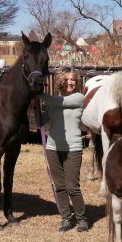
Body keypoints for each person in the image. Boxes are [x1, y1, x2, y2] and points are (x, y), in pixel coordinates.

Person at [41, 70, 88, 231]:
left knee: (72, 186)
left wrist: (38, 94)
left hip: (73, 148)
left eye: (73, 80)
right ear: (61, 81)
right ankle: (66, 218)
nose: (70, 82)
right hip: (52, 148)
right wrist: (36, 107)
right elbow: (42, 120)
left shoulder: (79, 98)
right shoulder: (52, 103)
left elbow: (60, 101)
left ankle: (81, 218)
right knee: (59, 186)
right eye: (67, 79)